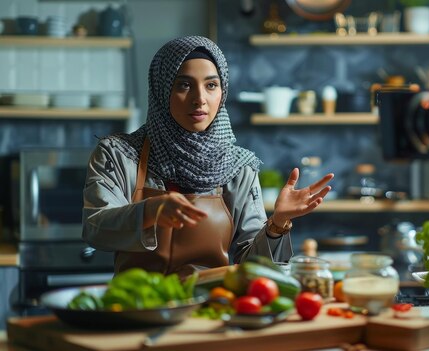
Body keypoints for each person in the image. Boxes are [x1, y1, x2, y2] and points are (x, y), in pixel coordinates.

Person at [82, 36, 334, 278]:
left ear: (222, 92)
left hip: (212, 306)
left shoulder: (239, 167)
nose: (200, 99)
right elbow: (95, 227)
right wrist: (151, 210)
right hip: (139, 306)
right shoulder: (118, 153)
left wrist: (278, 223)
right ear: (161, 90)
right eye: (184, 85)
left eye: (211, 85)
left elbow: (251, 266)